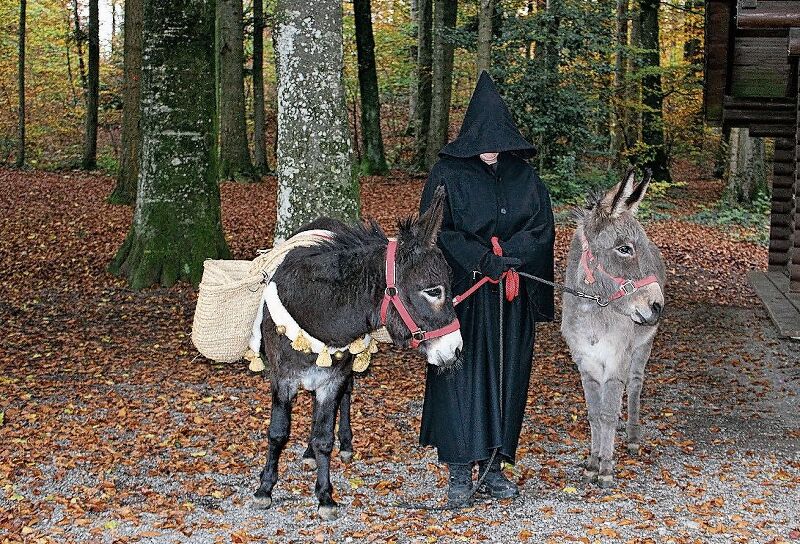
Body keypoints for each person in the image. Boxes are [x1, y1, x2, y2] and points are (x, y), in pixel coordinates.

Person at [418, 71, 555, 505]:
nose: (492, 150)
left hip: (511, 301)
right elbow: (438, 229)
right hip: (464, 299)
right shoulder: (448, 173)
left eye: (498, 140)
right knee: (460, 379)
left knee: (508, 379)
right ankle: (460, 471)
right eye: (485, 140)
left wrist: (510, 254)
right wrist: (480, 259)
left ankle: (495, 468)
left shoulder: (525, 177)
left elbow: (542, 228)